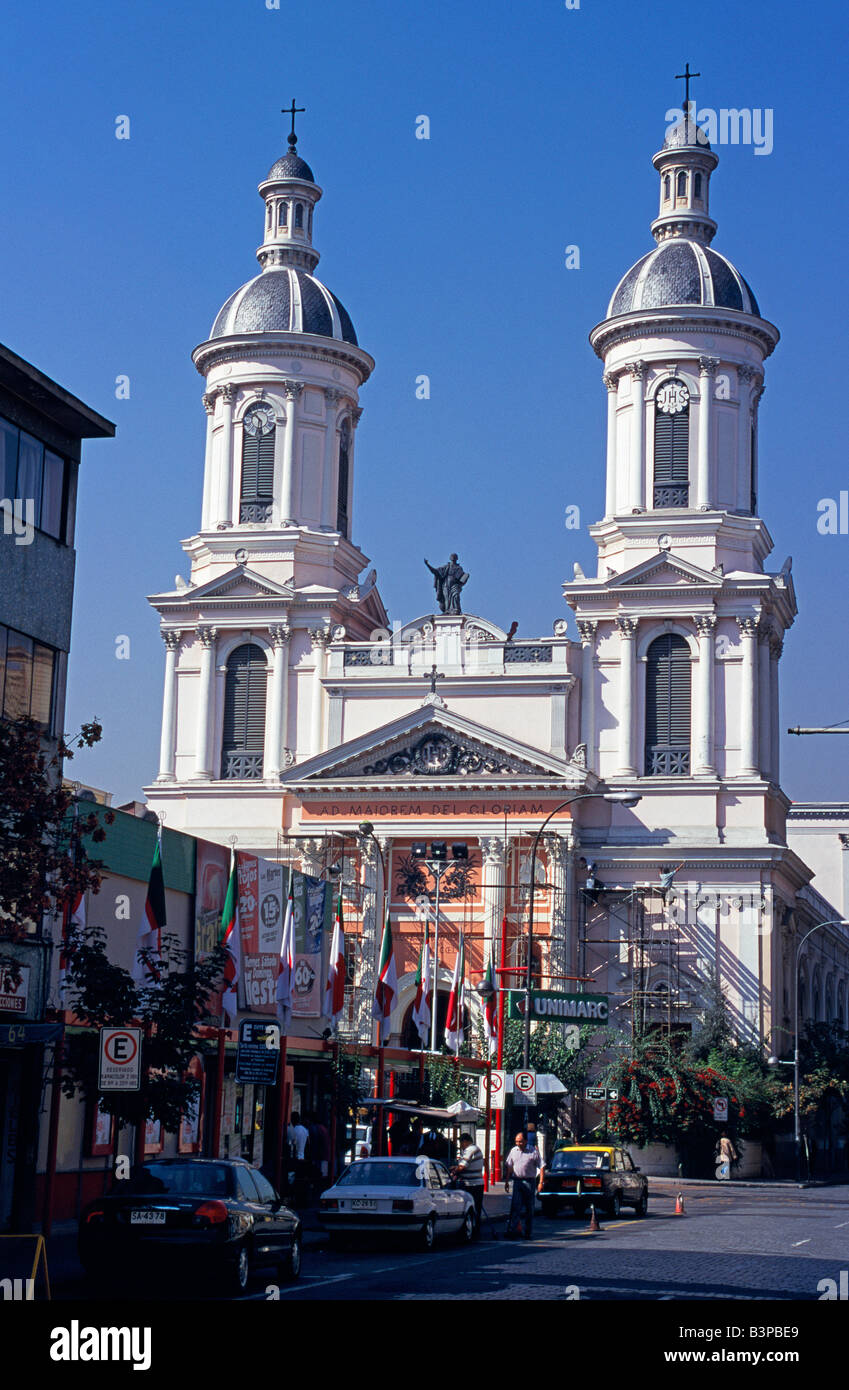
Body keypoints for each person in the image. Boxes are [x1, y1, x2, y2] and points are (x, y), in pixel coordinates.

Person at [504, 1131, 543, 1238]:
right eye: (516, 1141)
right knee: (515, 1207)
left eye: (520, 1141)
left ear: (526, 1141)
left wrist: (540, 1182)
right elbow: (509, 1166)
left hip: (529, 1181)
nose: (518, 1144)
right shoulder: (513, 1151)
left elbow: (542, 1166)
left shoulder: (533, 1151)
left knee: (529, 1208)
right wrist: (507, 1181)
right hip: (517, 1181)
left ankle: (527, 1232)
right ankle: (513, 1230)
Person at [453, 1132, 485, 1225]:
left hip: (472, 1185)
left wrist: (454, 1171)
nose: (461, 1146)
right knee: (476, 1208)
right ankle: (475, 1226)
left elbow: (462, 1167)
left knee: (470, 1208)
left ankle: (472, 1228)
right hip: (476, 1183)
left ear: (465, 1142)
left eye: (461, 1144)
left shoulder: (470, 1150)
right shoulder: (476, 1148)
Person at [290, 1111, 311, 1205]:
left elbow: (292, 1146)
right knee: (302, 1181)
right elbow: (308, 1144)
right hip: (303, 1158)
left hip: (296, 1159)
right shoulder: (305, 1130)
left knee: (293, 1181)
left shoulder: (293, 1131)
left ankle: (295, 1199)